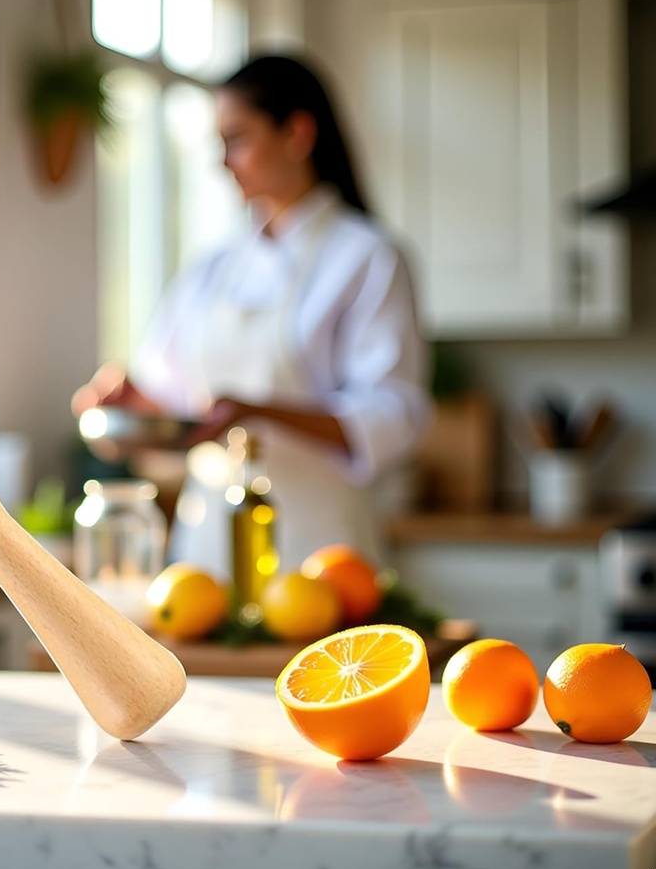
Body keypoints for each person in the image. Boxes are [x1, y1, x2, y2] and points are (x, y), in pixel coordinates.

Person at [72, 53, 430, 575]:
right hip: (204, 557)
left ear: (297, 133)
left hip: (323, 558)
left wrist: (258, 413)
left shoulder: (368, 258)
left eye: (237, 139)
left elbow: (392, 415)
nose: (223, 162)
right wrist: (133, 402)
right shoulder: (211, 269)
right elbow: (176, 402)